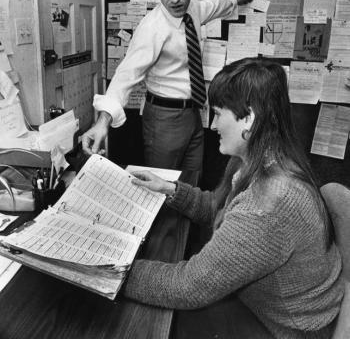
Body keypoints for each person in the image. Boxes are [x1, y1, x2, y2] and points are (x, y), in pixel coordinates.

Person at [124, 57, 344, 338]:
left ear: (249, 118)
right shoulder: (258, 157)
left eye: (217, 113)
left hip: (289, 329)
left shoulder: (270, 201)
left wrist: (111, 269)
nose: (213, 125)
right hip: (274, 309)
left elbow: (187, 287)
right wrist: (171, 190)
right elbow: (220, 208)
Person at [82, 0, 253, 171]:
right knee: (161, 182)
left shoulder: (194, 9)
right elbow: (126, 75)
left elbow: (217, 5)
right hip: (164, 118)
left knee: (191, 181)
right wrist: (102, 121)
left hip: (195, 112)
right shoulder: (152, 28)